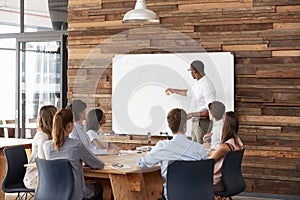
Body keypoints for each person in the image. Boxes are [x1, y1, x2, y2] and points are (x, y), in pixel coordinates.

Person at [137, 108, 208, 199]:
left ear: (169, 126)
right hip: (199, 195)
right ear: (185, 125)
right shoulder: (199, 148)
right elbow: (206, 172)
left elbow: (142, 163)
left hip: (173, 196)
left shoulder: (162, 146)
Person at [43, 109, 105, 200]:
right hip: (75, 195)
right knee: (99, 186)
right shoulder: (76, 145)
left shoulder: (46, 146)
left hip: (53, 193)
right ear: (70, 125)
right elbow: (98, 165)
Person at [165, 60, 216, 144]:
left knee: (201, 149)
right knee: (194, 149)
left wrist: (192, 114)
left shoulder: (206, 86)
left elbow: (211, 110)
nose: (190, 73)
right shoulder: (198, 83)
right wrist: (173, 90)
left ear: (194, 71)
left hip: (203, 123)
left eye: (190, 70)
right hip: (196, 122)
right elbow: (189, 93)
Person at [23, 105, 57, 189]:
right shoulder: (42, 136)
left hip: (44, 175)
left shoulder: (50, 135)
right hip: (34, 177)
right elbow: (43, 160)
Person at [209, 111, 244, 192]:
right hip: (230, 181)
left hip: (216, 183)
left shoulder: (225, 147)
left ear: (225, 126)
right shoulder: (238, 143)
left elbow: (208, 162)